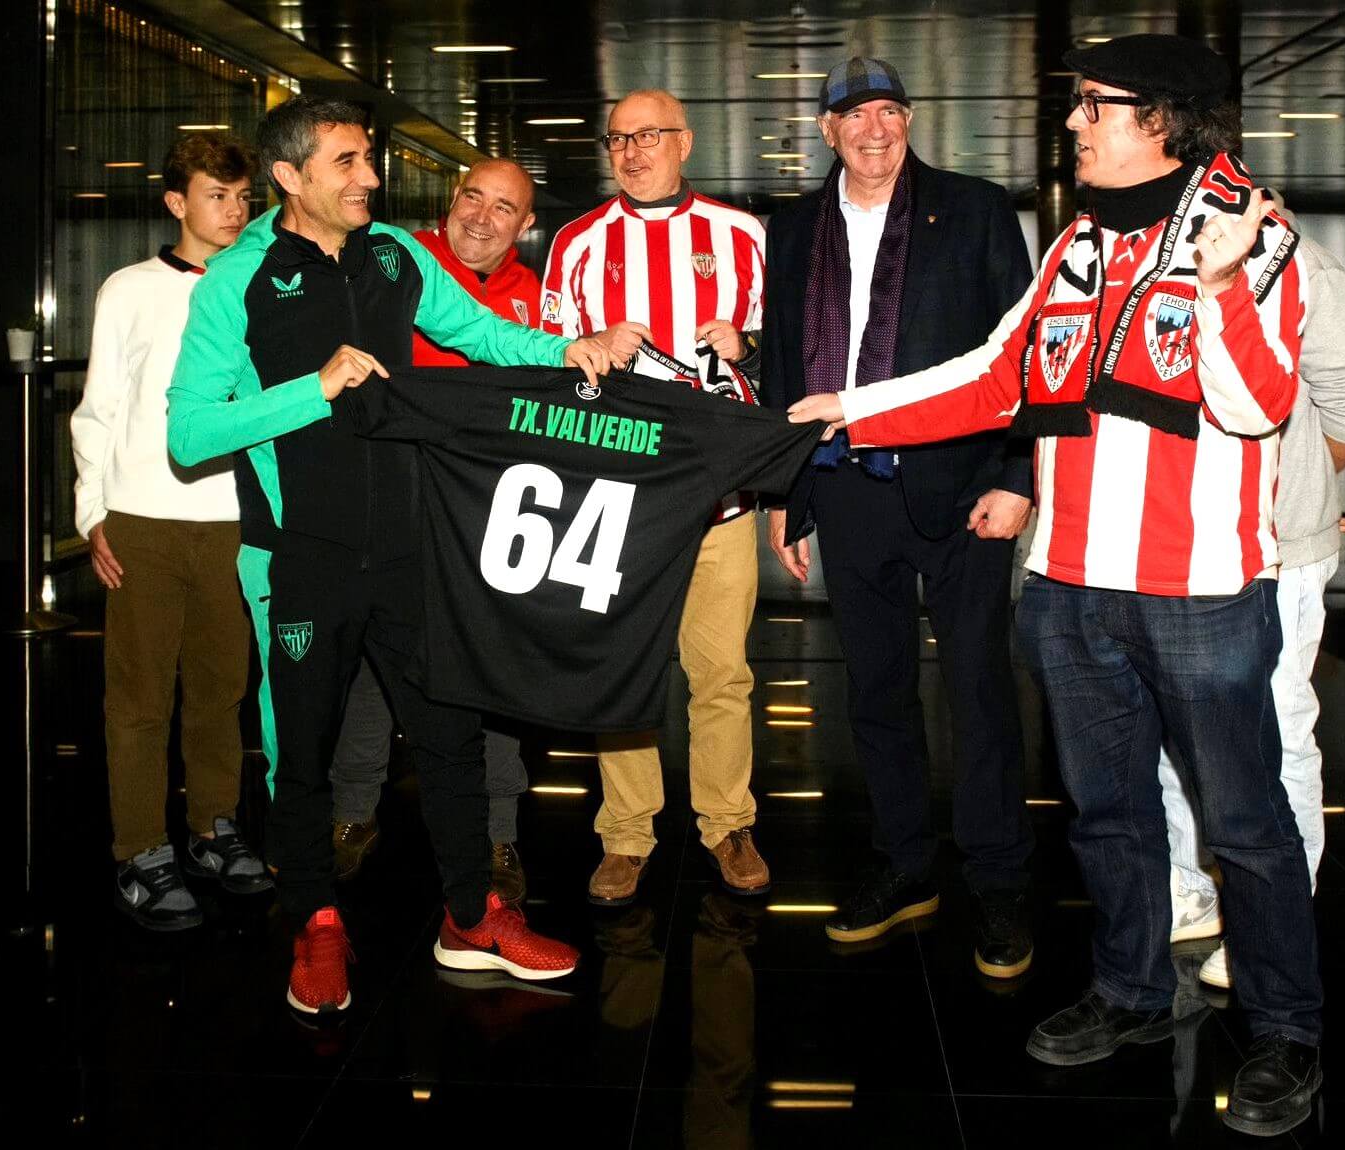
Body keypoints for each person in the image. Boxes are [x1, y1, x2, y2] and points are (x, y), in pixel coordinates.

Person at [790, 35, 1324, 1139]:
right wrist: (859, 410)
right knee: (1109, 811)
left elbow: (1257, 400)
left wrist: (1219, 288)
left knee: (1246, 823)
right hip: (1073, 580)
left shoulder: (1254, 233)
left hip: (1200, 590)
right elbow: (997, 371)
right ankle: (1129, 988)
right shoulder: (1079, 239)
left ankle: (1284, 1026)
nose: (1074, 122)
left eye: (1093, 106)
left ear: (1161, 120)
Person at [169, 96, 621, 1016]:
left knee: (453, 736)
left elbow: (478, 332)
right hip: (297, 558)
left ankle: (471, 916)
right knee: (301, 757)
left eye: (368, 157)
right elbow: (189, 431)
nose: (371, 177)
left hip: (412, 553)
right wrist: (314, 387)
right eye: (346, 163)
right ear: (290, 178)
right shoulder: (235, 280)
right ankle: (316, 924)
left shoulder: (397, 256)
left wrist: (567, 347)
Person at [760, 57, 1037, 975]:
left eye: (891, 112)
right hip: (845, 489)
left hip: (961, 495)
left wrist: (1016, 476)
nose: (876, 130)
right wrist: (787, 495)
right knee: (875, 693)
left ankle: (997, 881)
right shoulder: (793, 229)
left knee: (977, 688)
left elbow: (1022, 356)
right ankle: (907, 863)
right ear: (827, 131)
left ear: (909, 121)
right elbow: (785, 377)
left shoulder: (977, 210)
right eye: (856, 116)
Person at [540, 88, 772, 906]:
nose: (633, 151)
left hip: (720, 502)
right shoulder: (575, 243)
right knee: (623, 670)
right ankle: (627, 833)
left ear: (686, 141)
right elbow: (548, 358)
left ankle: (727, 823)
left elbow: (779, 348)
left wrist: (750, 344)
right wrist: (585, 349)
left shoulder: (743, 235)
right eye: (618, 139)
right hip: (619, 506)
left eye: (650, 136)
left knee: (723, 673)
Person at [1159, 203, 1345, 986]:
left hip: (1279, 549)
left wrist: (1294, 487)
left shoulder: (1301, 265)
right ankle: (1186, 889)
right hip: (1174, 544)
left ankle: (1276, 913)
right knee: (1171, 731)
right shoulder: (1145, 253)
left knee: (1275, 727)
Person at [70, 132, 272, 932]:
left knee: (223, 693)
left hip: (231, 517)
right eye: (217, 196)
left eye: (242, 196)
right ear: (176, 202)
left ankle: (214, 828)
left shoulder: (262, 285)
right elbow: (98, 409)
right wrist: (92, 515)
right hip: (145, 521)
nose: (233, 210)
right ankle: (141, 848)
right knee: (141, 697)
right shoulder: (128, 289)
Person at [329, 158, 542, 902]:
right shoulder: (391, 262)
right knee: (371, 663)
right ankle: (352, 814)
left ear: (526, 225)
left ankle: (498, 833)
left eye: (504, 208)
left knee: (493, 666)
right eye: (472, 199)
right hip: (394, 498)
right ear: (452, 202)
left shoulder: (539, 302)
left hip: (491, 512)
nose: (481, 217)